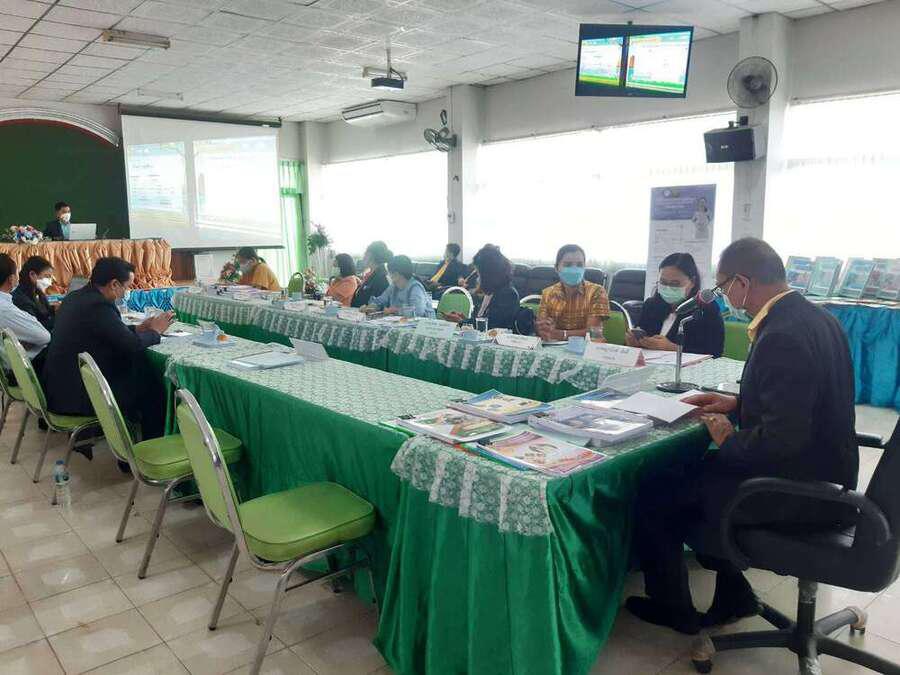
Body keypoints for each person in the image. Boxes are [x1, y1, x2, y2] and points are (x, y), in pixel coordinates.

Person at [626, 237, 859, 635]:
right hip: (829, 476)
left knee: (657, 487)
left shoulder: (783, 334)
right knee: (693, 474)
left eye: (723, 287)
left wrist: (727, 438)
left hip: (797, 492)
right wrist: (736, 403)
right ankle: (734, 594)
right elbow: (801, 402)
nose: (724, 297)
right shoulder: (817, 318)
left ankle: (673, 608)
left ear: (743, 283)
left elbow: (781, 441)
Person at [43, 257, 174, 444]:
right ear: (114, 284)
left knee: (140, 373)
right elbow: (131, 345)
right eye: (126, 287)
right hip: (78, 394)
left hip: (61, 386)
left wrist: (138, 329)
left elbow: (106, 332)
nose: (126, 292)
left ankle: (132, 436)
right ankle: (148, 449)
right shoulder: (98, 306)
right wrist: (155, 332)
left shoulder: (76, 297)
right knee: (153, 387)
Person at [626, 252, 724, 357]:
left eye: (675, 284)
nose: (668, 288)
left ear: (692, 282)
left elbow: (715, 353)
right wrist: (634, 343)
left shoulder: (707, 308)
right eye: (663, 282)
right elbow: (641, 336)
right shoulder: (651, 305)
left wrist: (673, 348)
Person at [536, 244, 609, 341]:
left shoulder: (597, 292)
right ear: (556, 268)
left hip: (587, 347)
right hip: (554, 345)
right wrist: (543, 329)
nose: (574, 269)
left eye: (579, 265)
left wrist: (561, 334)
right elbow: (542, 328)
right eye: (568, 265)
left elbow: (593, 333)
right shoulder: (547, 293)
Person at [442, 244, 520, 330]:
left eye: (479, 274)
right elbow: (480, 320)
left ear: (488, 274)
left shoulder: (507, 295)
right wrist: (465, 320)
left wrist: (461, 322)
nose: (477, 279)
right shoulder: (489, 293)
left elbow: (491, 327)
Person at [0, 253, 50, 371]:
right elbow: (45, 337)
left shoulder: (6, 302)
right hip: (22, 368)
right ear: (11, 279)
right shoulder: (5, 308)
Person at [363, 255, 431, 317]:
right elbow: (380, 300)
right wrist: (370, 307)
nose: (388, 275)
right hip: (402, 324)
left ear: (396, 274)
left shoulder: (415, 287)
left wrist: (395, 310)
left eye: (389, 273)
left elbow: (418, 312)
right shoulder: (394, 286)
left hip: (422, 325)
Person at [13, 256, 56, 332]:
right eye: (46, 276)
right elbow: (36, 326)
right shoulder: (21, 299)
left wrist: (56, 309)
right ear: (32, 274)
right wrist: (60, 319)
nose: (49, 282)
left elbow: (46, 312)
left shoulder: (37, 291)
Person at [351, 241, 392, 308]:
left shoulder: (382, 277)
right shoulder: (369, 274)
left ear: (370, 255)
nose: (363, 257)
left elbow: (378, 304)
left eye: (365, 254)